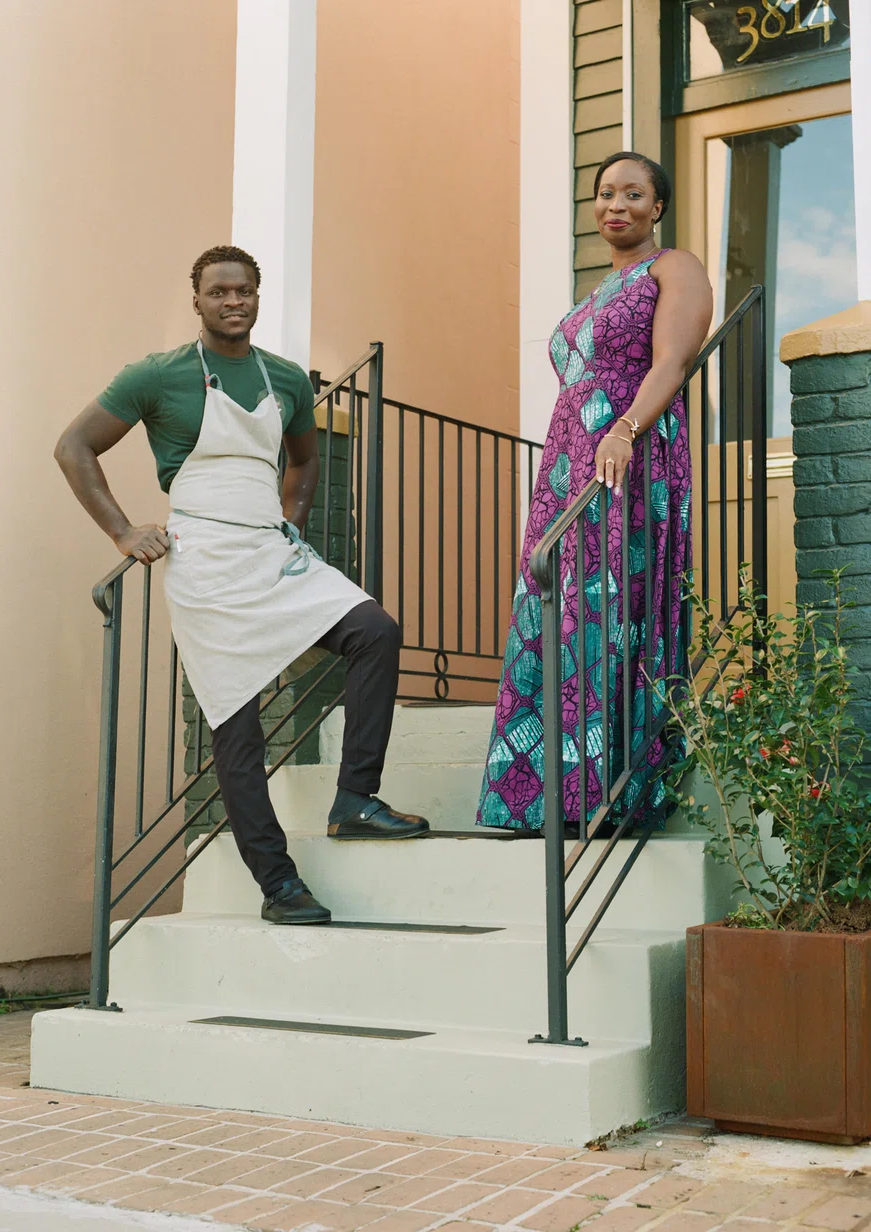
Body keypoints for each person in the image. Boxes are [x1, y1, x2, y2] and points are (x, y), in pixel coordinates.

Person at [55, 245, 429, 924]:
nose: (233, 302)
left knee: (373, 629)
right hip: (205, 563)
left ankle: (355, 800)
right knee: (236, 722)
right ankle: (279, 886)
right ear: (196, 300)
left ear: (258, 296)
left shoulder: (285, 378)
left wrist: (293, 520)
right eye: (219, 292)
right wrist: (121, 531)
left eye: (244, 292)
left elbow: (305, 460)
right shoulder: (156, 376)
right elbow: (73, 446)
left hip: (269, 550)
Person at [477, 153, 712, 833]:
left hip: (627, 458)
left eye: (634, 194)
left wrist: (625, 431)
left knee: (614, 608)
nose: (617, 205)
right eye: (606, 193)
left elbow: (672, 358)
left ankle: (619, 788)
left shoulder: (673, 268)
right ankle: (546, 797)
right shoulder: (593, 293)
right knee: (558, 612)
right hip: (568, 471)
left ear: (658, 207)